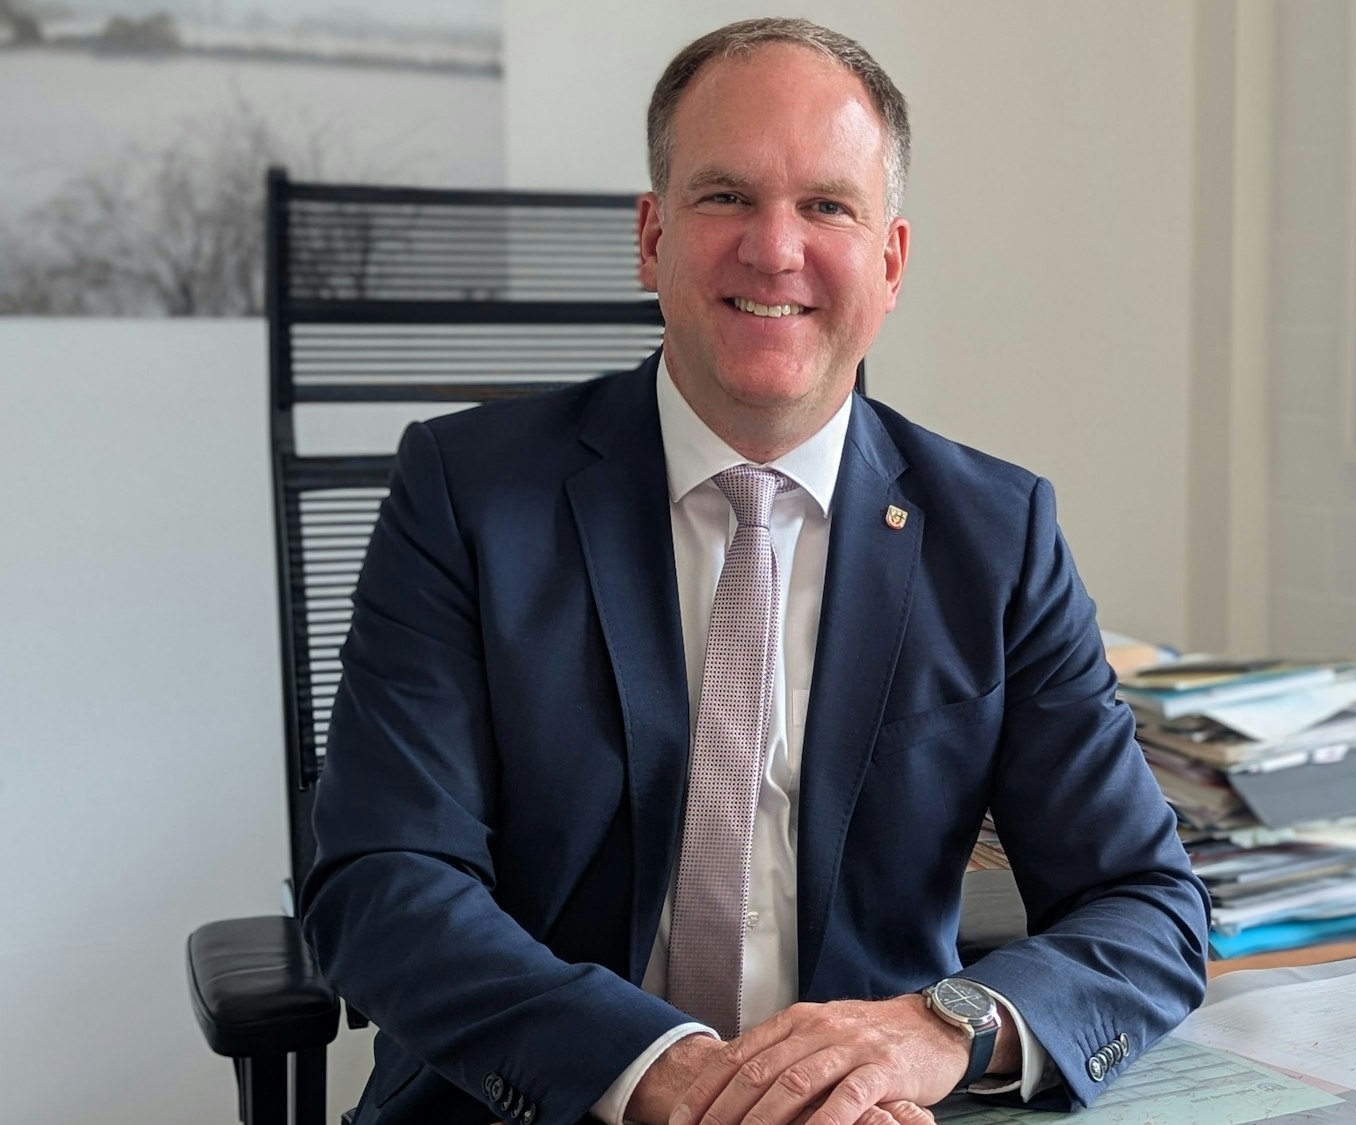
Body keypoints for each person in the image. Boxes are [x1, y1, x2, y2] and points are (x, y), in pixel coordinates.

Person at [300, 17, 1208, 1125]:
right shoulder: (466, 493)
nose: (775, 250)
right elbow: (382, 881)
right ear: (651, 238)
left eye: (826, 204)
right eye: (725, 195)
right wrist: (658, 1069)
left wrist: (941, 1028)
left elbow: (1147, 905)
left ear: (889, 260)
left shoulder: (996, 532)